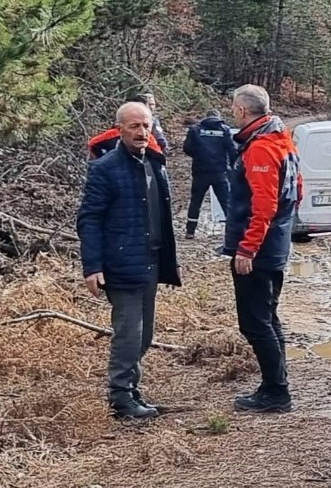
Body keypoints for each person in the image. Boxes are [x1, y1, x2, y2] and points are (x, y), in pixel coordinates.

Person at [76, 102, 182, 420]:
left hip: (150, 262)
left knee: (145, 332)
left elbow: (162, 217)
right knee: (129, 333)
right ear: (120, 129)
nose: (141, 132)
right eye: (134, 126)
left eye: (146, 125)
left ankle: (131, 389)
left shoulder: (154, 163)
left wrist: (171, 260)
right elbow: (89, 219)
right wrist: (92, 266)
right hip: (121, 264)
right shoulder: (105, 168)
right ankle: (120, 396)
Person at [224, 84, 302, 413]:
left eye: (234, 108)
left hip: (260, 248)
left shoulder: (260, 148)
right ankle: (275, 384)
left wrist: (247, 249)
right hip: (277, 243)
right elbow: (298, 190)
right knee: (268, 317)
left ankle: (276, 391)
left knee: (255, 322)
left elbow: (264, 206)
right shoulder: (283, 138)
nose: (232, 113)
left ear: (242, 111)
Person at [183, 109, 237, 239]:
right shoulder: (224, 130)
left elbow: (187, 148)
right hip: (219, 172)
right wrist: (233, 167)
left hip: (200, 171)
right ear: (218, 117)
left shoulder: (195, 130)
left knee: (196, 201)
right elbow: (232, 150)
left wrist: (199, 156)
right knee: (226, 202)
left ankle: (190, 231)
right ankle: (232, 232)